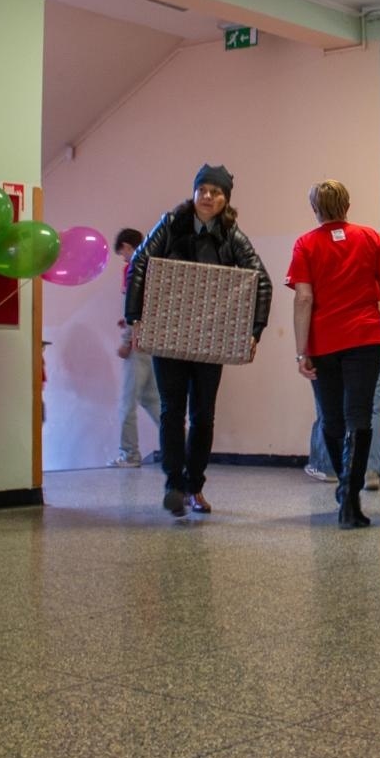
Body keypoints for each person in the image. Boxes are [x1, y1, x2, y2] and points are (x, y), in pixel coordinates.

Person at [126, 165, 272, 518]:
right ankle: (173, 484)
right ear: (194, 193)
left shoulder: (231, 235)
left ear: (226, 200)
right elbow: (139, 263)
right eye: (202, 190)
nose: (207, 197)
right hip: (169, 335)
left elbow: (261, 281)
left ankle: (195, 486)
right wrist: (135, 317)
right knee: (171, 411)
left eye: (215, 192)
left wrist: (253, 332)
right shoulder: (171, 224)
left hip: (212, 339)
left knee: (204, 415)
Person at [287, 180, 380, 529]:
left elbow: (303, 298)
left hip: (324, 343)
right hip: (365, 338)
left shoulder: (305, 244)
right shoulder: (369, 238)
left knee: (332, 420)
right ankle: (350, 498)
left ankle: (344, 488)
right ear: (348, 204)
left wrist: (301, 350)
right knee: (360, 417)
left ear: (314, 208)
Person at [110, 228, 162, 467]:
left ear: (129, 247)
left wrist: (126, 341)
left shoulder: (132, 269)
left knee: (126, 404)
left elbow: (134, 310)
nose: (123, 258)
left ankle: (129, 454)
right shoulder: (155, 268)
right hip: (153, 343)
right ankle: (180, 447)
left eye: (122, 252)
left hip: (137, 345)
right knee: (152, 400)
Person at [306, 357, 380, 489]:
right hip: (372, 353)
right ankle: (371, 471)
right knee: (371, 412)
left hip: (332, 353)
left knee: (330, 408)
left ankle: (328, 468)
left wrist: (302, 354)